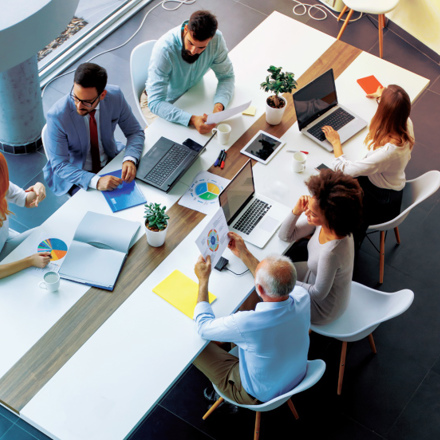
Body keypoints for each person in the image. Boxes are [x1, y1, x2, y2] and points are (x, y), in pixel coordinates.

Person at [193, 232, 310, 405]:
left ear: (260, 289)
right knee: (245, 307)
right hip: (296, 374)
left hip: (257, 393)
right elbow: (272, 279)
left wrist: (203, 280)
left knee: (194, 348)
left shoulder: (247, 323)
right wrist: (244, 253)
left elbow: (203, 326)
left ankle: (227, 393)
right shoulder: (302, 295)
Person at [43, 63, 145, 196]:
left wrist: (130, 159)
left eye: (86, 102)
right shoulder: (57, 116)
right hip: (76, 175)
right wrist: (96, 181)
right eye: (75, 97)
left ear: (102, 95)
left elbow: (135, 132)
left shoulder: (115, 97)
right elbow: (60, 165)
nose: (79, 106)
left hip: (110, 160)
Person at [322, 84, 414, 228]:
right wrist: (381, 96)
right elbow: (396, 104)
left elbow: (346, 170)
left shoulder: (389, 152)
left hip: (381, 200)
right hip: (389, 182)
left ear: (385, 113)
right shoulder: (406, 123)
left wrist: (335, 142)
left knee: (330, 190)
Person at [278, 169, 363, 325]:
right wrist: (296, 211)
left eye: (313, 213)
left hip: (322, 308)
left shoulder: (331, 253)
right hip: (312, 276)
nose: (307, 213)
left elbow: (317, 294)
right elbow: (286, 236)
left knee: (268, 287)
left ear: (331, 218)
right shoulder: (332, 226)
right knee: (269, 279)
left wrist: (283, 280)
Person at [142, 10, 235, 134]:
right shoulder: (164, 50)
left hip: (190, 93)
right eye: (190, 43)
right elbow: (155, 102)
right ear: (186, 29)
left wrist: (219, 107)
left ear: (211, 39)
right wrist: (191, 119)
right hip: (161, 103)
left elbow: (226, 76)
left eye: (201, 47)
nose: (193, 50)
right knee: (176, 143)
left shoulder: (216, 40)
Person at [0, 153, 51, 278]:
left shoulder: (2, 184)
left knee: (43, 233)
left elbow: (26, 200)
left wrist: (38, 188)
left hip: (5, 238)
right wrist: (29, 261)